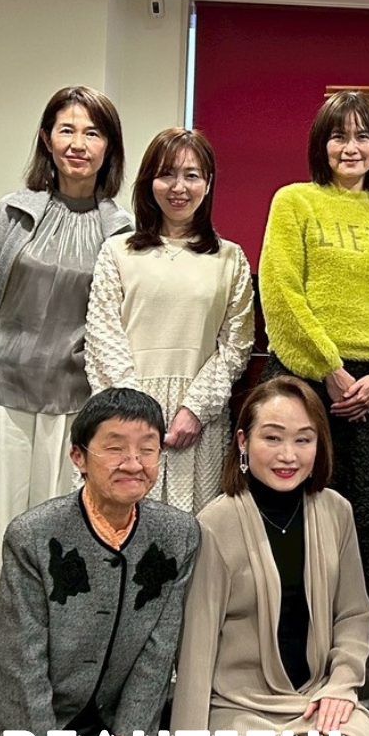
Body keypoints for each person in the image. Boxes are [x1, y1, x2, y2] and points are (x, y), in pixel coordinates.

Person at [0, 387, 199, 736]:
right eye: (115, 448)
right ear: (79, 457)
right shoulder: (34, 535)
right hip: (15, 718)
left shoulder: (178, 535)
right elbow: (20, 664)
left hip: (104, 724)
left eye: (147, 449)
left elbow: (157, 655)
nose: (133, 463)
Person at [0, 85, 131, 656]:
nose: (78, 143)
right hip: (0, 391)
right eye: (67, 129)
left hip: (73, 404)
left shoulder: (122, 230)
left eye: (92, 132)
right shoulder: (12, 214)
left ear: (109, 147)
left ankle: (51, 649)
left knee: (59, 535)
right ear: (47, 139)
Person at [168, 377, 369, 736]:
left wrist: (342, 684)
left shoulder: (336, 511)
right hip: (239, 709)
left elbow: (354, 614)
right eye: (273, 438)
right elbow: (195, 653)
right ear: (243, 442)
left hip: (318, 697)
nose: (288, 455)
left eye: (303, 440)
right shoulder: (215, 523)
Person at [259, 90, 369, 655]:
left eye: (363, 136)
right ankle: (290, 639)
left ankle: (365, 649)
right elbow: (281, 291)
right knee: (296, 506)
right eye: (339, 136)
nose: (351, 147)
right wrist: (328, 368)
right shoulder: (294, 202)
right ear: (320, 145)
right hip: (304, 380)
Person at [86, 127, 255, 513]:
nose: (179, 187)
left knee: (192, 529)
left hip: (197, 424)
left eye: (191, 175)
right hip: (123, 416)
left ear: (207, 183)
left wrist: (193, 410)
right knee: (117, 522)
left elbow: (236, 346)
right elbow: (103, 335)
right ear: (149, 182)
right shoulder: (117, 252)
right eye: (167, 174)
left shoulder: (230, 259)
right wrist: (135, 414)